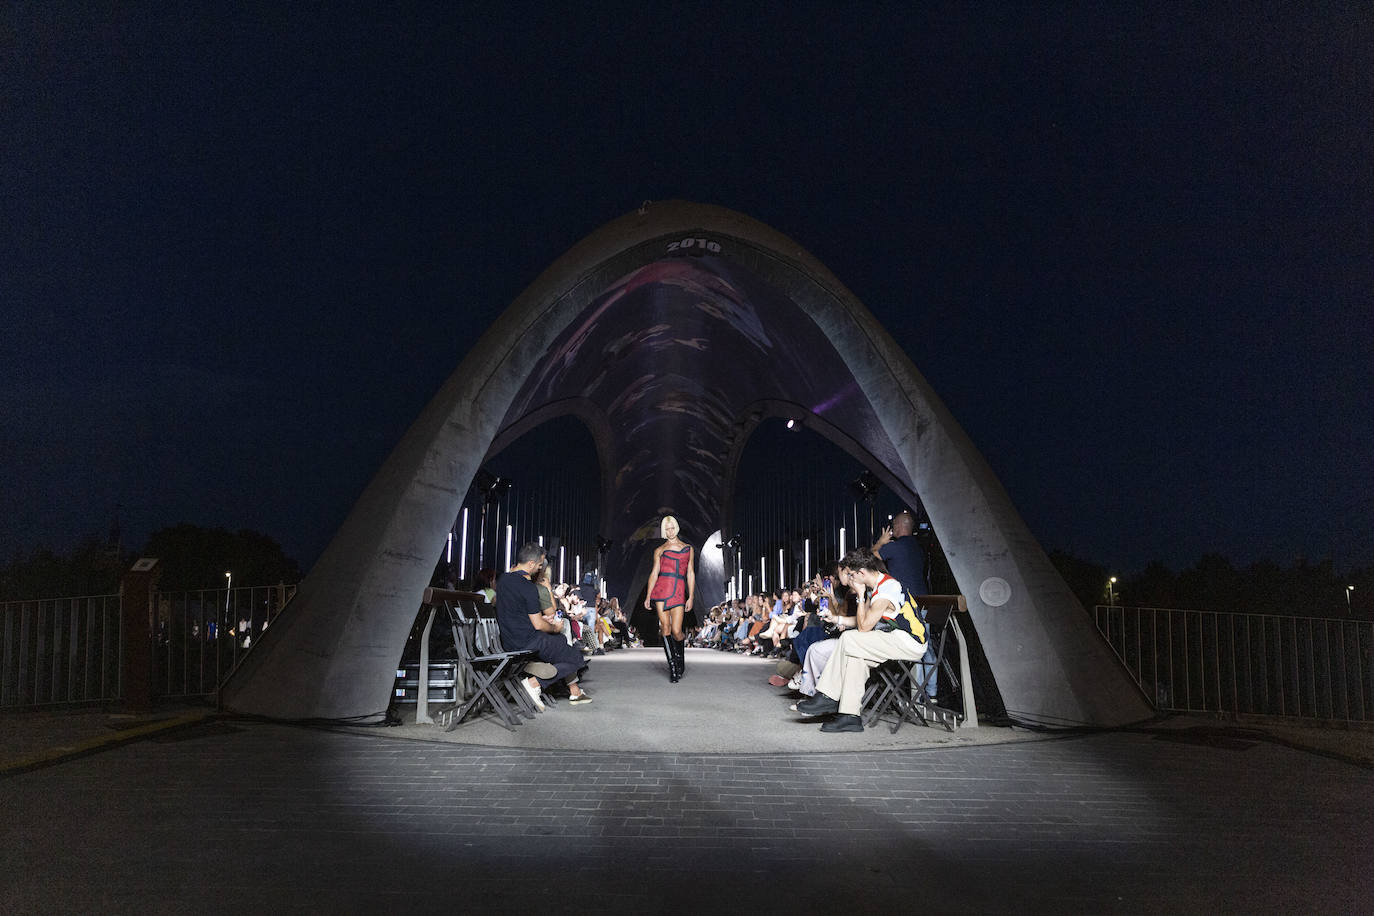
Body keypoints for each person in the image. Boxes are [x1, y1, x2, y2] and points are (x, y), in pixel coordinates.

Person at [795, 548, 927, 733]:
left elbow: (864, 627)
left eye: (850, 575)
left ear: (861, 573)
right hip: (893, 637)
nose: (849, 579)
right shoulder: (877, 586)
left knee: (850, 638)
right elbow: (862, 621)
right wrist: (837, 620)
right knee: (855, 657)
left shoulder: (886, 588)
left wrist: (860, 596)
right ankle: (849, 716)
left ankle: (828, 695)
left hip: (910, 641)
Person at [495, 542, 592, 710]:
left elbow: (514, 611)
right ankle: (534, 683)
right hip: (528, 641)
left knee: (562, 642)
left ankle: (547, 674)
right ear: (531, 564)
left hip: (509, 640)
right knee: (576, 657)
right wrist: (555, 627)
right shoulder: (528, 587)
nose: (540, 568)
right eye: (540, 565)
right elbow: (538, 625)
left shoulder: (502, 580)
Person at [872, 510, 936, 698]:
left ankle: (911, 695)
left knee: (898, 642)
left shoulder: (895, 547)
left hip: (905, 608)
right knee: (926, 647)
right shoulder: (919, 547)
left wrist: (881, 541)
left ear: (898, 527)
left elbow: (868, 558)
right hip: (924, 603)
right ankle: (931, 692)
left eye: (893, 527)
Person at [643, 515, 695, 682]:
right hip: (662, 590)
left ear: (676, 528)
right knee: (665, 627)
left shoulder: (688, 548)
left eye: (672, 528)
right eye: (667, 529)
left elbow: (690, 573)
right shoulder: (659, 550)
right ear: (664, 531)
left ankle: (680, 658)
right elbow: (654, 573)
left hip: (679, 590)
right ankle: (672, 667)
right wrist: (648, 595)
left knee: (677, 631)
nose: (670, 531)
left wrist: (691, 596)